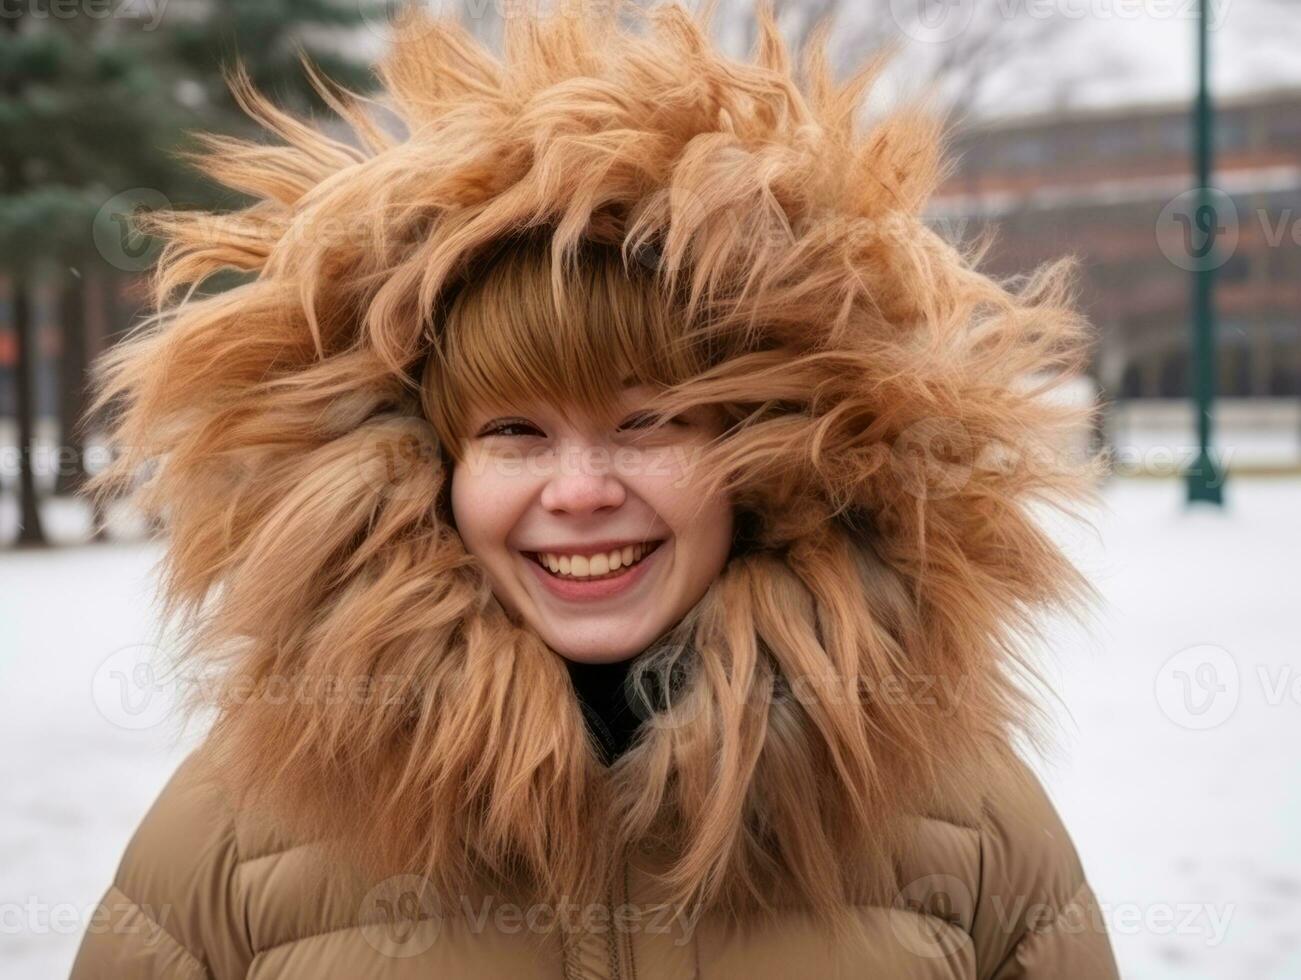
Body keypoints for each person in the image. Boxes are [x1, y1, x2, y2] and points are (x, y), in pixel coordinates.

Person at [70, 1, 1120, 977]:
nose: (577, 491)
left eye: (647, 423)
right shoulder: (242, 825)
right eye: (514, 432)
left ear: (772, 460)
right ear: (429, 471)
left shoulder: (957, 812)